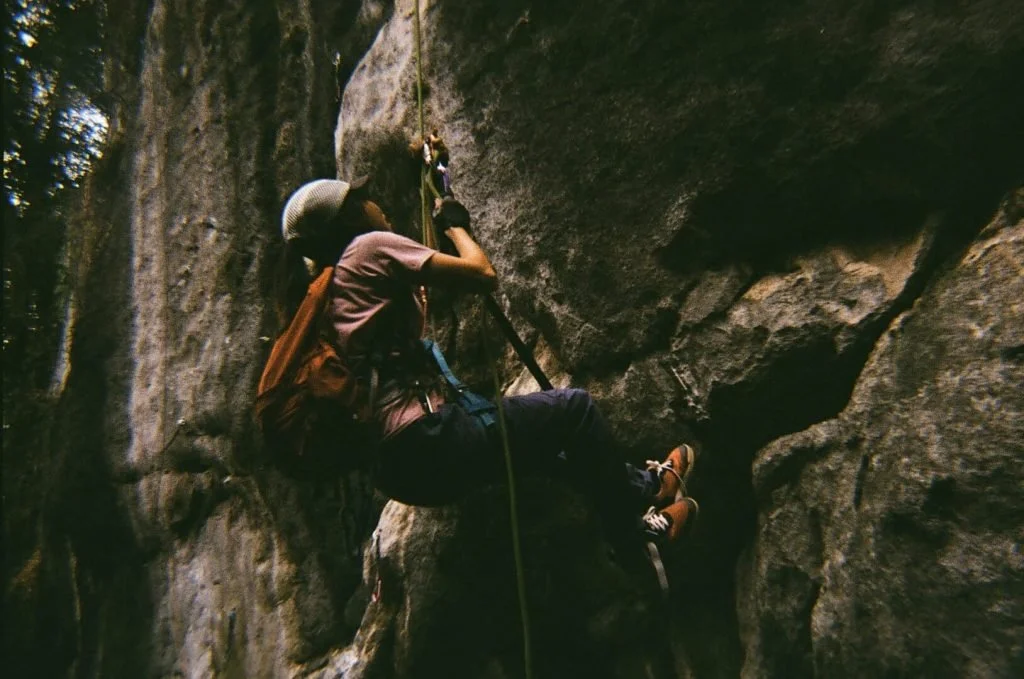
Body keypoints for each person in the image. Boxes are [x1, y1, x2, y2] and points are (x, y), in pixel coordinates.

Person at [278, 177, 699, 556]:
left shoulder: (327, 293)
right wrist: (457, 227)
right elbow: (481, 274)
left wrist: (435, 184)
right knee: (575, 408)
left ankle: (646, 518)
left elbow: (424, 291)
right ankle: (642, 517)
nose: (377, 204)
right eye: (365, 198)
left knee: (552, 453)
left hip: (399, 473)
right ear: (351, 215)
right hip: (430, 438)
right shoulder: (368, 248)